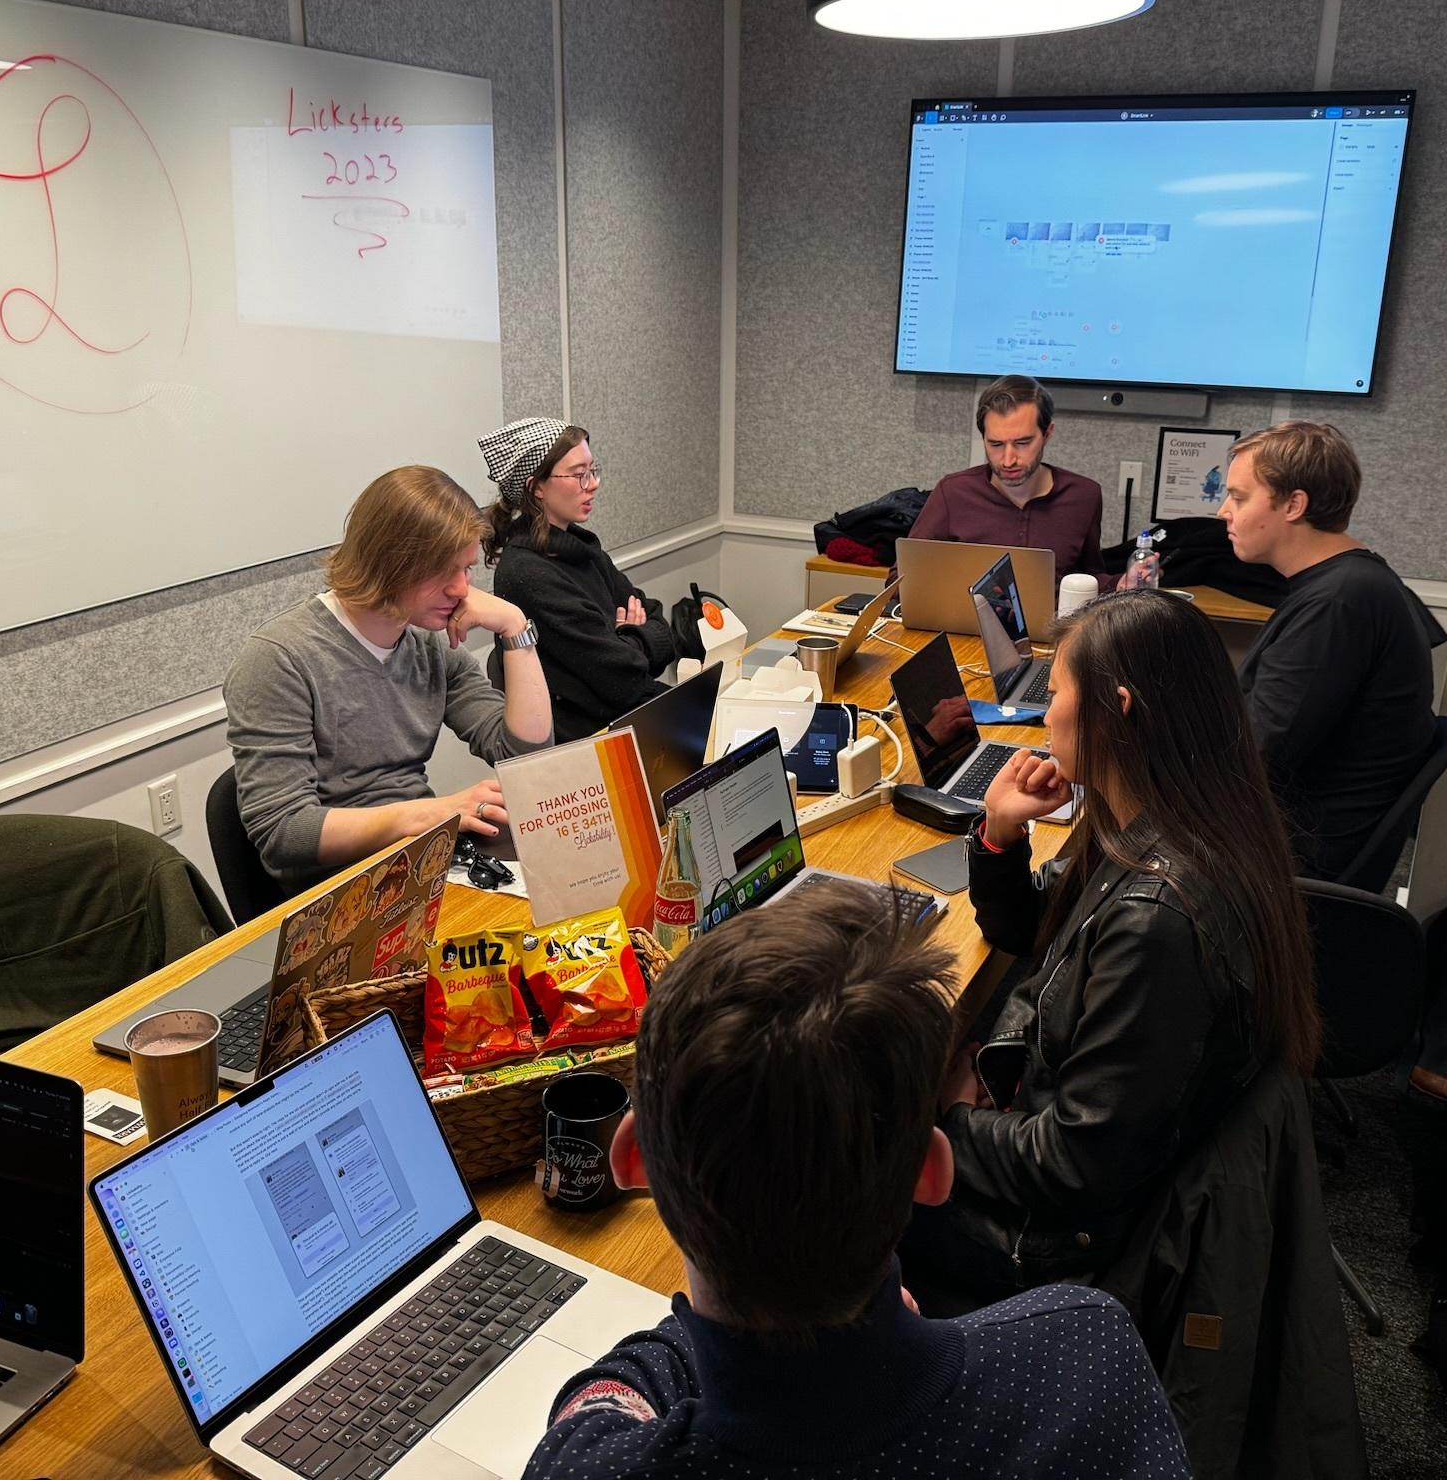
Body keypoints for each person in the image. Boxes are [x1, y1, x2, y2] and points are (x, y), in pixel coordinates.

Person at [525, 881, 1189, 1479]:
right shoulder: (1086, 1352)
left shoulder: (586, 1467)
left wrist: (688, 1338)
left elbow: (600, 1403)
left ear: (632, 1160)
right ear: (931, 1173)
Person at [900, 589, 1321, 1307]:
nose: (1043, 712)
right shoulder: (1168, 814)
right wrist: (1000, 836)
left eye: (1056, 691)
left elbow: (1075, 1166)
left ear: (1117, 706)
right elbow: (1034, 934)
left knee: (833, 1165)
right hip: (1068, 1129)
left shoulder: (1161, 917)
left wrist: (948, 1118)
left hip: (1062, 1243)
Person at [223, 465, 552, 895]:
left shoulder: (428, 642)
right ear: (389, 564)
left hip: (418, 857)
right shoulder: (279, 658)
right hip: (337, 887)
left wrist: (514, 626)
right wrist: (426, 815)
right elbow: (284, 831)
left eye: (467, 569)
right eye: (444, 572)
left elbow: (525, 755)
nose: (461, 590)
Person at [1218, 421, 1441, 882]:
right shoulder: (1351, 584)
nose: (1223, 511)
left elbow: (1257, 759)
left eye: (1239, 498)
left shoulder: (1338, 604)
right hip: (1303, 831)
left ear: (1294, 505)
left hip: (1291, 855)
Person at [479, 417, 677, 741]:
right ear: (536, 487)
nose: (593, 483)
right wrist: (633, 636)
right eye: (578, 474)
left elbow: (661, 628)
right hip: (589, 742)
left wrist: (623, 638)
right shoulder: (526, 574)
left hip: (625, 716)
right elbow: (621, 679)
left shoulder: (582, 548)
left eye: (592, 470)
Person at [907, 374, 1108, 582]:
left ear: (1047, 434)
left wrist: (1121, 583)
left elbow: (1091, 578)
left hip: (1054, 614)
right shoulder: (953, 493)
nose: (1008, 460)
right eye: (996, 444)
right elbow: (902, 578)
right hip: (967, 612)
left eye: (1022, 443)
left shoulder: (1084, 496)